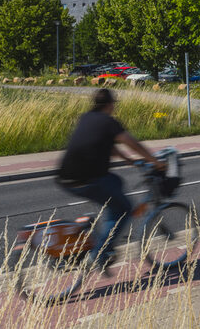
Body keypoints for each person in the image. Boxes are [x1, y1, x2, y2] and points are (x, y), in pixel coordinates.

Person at [57, 88, 164, 266]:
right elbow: (132, 142)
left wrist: (128, 160)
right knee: (125, 208)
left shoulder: (86, 117)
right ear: (110, 105)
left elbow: (109, 146)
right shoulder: (109, 122)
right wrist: (154, 161)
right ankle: (99, 253)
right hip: (88, 179)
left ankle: (104, 231)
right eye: (114, 104)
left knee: (116, 182)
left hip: (65, 177)